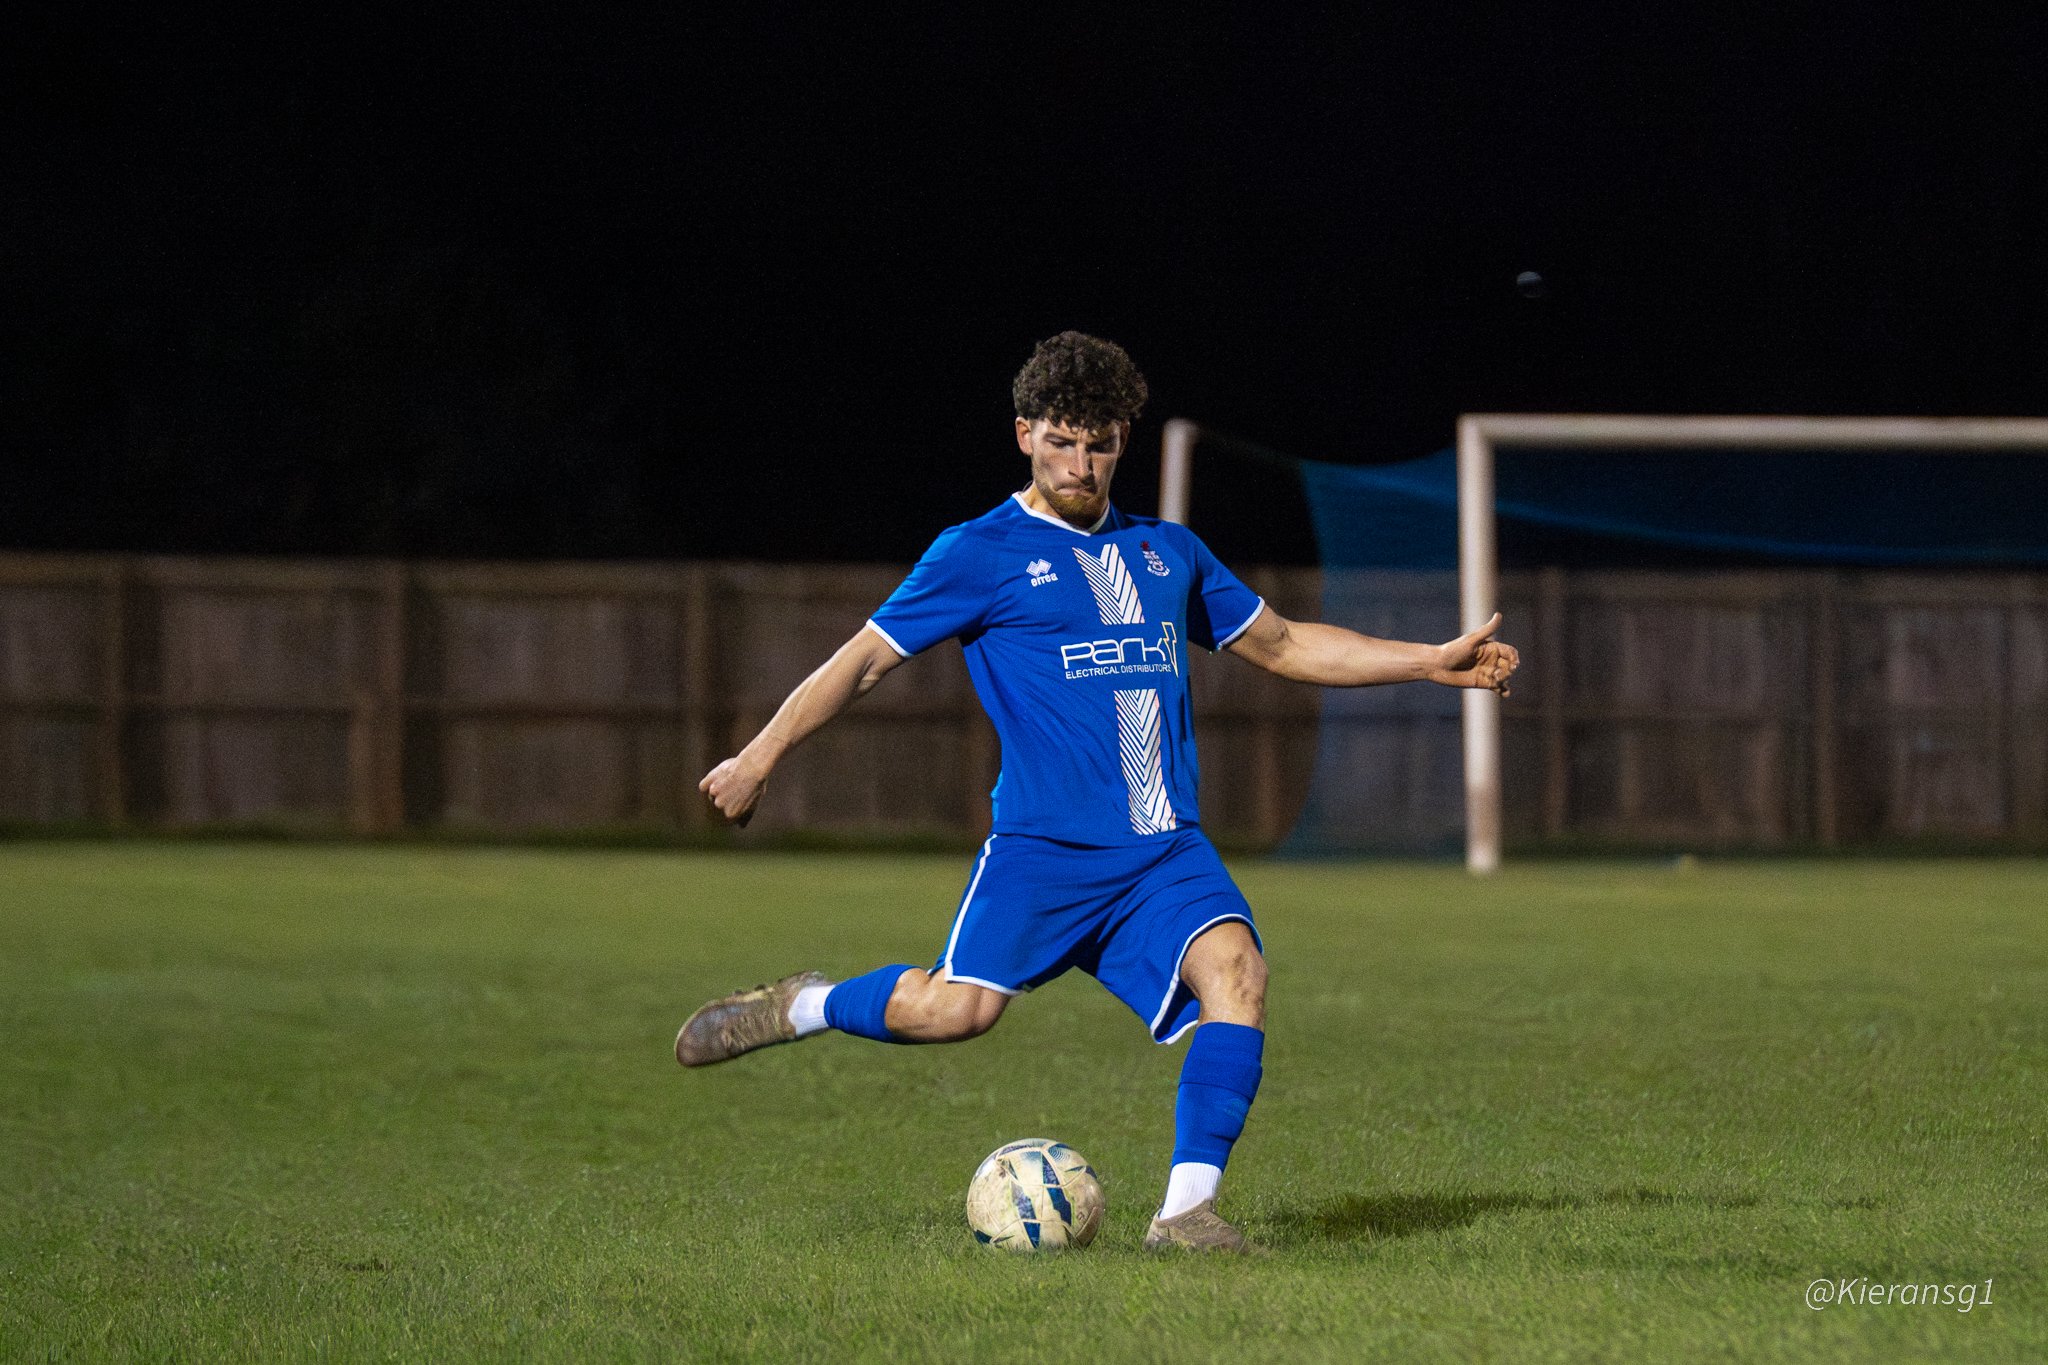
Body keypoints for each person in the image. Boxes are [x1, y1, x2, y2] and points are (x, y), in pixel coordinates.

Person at [678, 331, 1519, 1252]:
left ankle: (1185, 1214)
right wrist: (759, 755)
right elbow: (864, 661)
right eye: (1063, 442)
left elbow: (1282, 644)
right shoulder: (978, 552)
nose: (1082, 465)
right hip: (1044, 851)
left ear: (1124, 441)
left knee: (1238, 971)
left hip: (1163, 852)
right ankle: (803, 1004)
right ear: (1024, 434)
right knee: (954, 1012)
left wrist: (1427, 661)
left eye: (1101, 444)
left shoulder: (1168, 553)